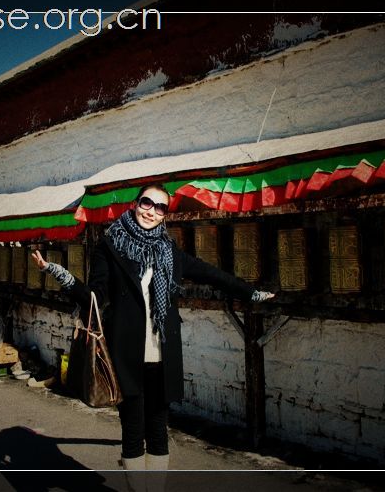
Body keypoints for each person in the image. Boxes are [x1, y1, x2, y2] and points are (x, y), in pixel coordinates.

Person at [32, 184, 275, 473]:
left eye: (161, 208)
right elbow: (95, 297)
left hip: (163, 355)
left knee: (159, 432)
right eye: (147, 203)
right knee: (133, 433)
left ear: (164, 215)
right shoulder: (109, 247)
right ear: (136, 204)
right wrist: (58, 273)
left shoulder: (169, 251)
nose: (152, 211)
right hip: (127, 354)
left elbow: (211, 274)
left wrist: (250, 293)